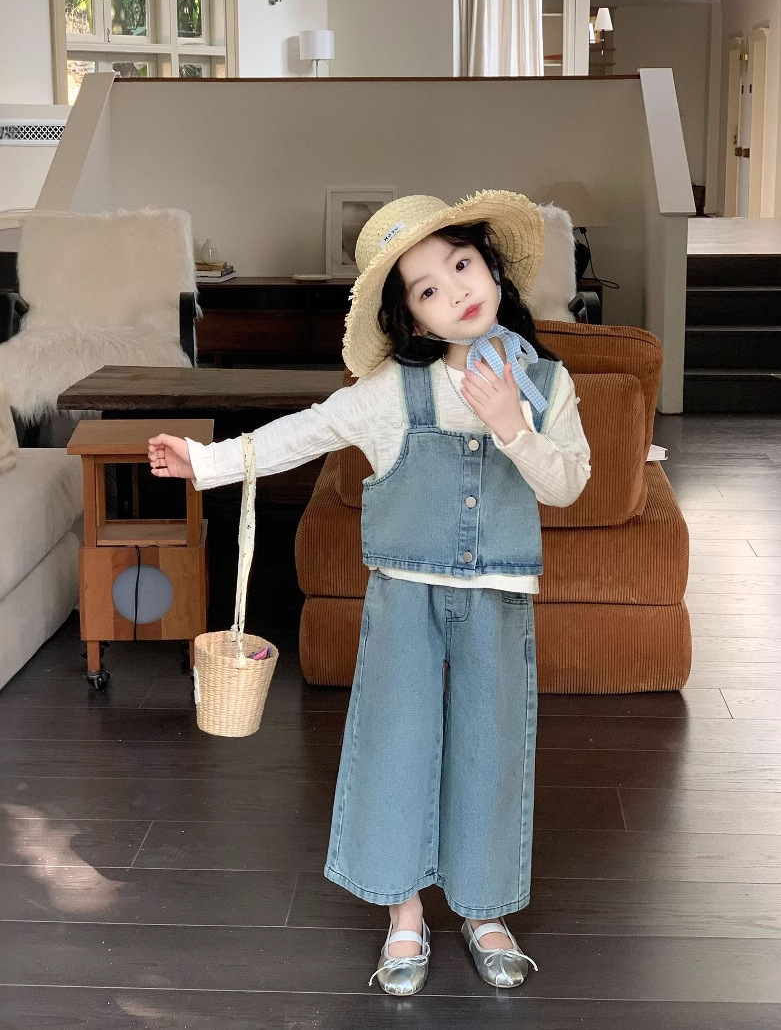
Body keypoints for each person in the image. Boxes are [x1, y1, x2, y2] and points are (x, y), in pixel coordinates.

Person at [148, 191, 591, 995]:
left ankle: (486, 912)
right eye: (427, 288)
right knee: (395, 747)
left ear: (492, 266)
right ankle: (404, 914)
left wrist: (512, 426)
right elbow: (305, 431)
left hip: (498, 598)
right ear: (412, 319)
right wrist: (204, 462)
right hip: (404, 596)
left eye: (462, 263)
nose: (455, 290)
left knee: (490, 750)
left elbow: (566, 487)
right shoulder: (391, 391)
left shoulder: (546, 382)